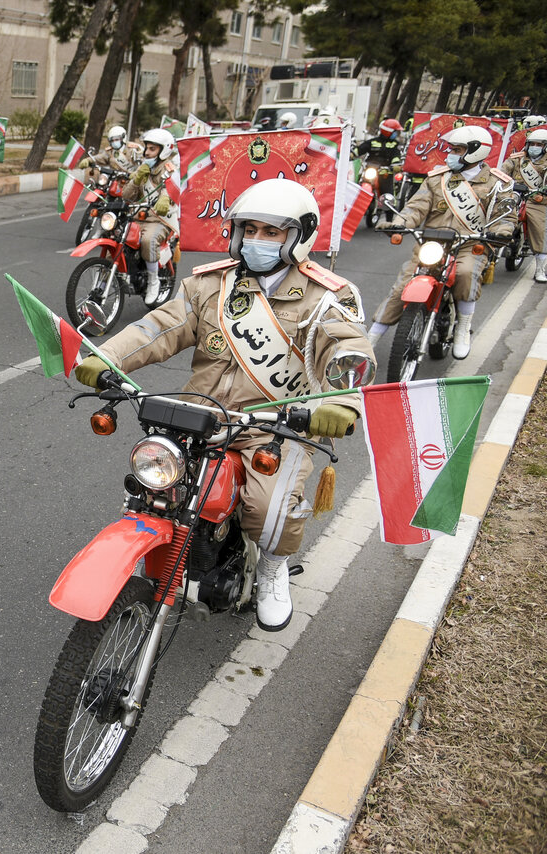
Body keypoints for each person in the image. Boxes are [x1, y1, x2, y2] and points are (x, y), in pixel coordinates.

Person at [74, 178, 375, 632]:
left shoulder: (326, 296)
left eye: (271, 232)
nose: (256, 240)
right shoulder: (210, 285)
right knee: (154, 490)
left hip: (275, 426)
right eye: (249, 229)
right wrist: (105, 357)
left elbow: (346, 348)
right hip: (203, 418)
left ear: (299, 236)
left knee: (268, 509)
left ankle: (273, 568)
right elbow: (160, 327)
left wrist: (343, 400)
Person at [370, 125, 516, 358]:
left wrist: (503, 230)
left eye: (458, 150)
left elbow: (506, 214)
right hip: (432, 243)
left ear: (476, 151)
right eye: (452, 149)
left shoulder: (497, 183)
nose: (451, 154)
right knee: (402, 285)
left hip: (469, 244)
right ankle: (370, 341)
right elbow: (416, 207)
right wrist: (398, 222)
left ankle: (463, 328)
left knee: (466, 273)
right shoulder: (437, 179)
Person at [123, 128, 180, 306]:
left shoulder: (169, 169)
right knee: (117, 236)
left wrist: (164, 199)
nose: (147, 152)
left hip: (161, 220)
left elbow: (169, 189)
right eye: (146, 148)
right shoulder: (144, 168)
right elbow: (126, 196)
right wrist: (136, 180)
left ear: (164, 151)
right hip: (139, 217)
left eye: (152, 149)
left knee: (148, 240)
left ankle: (153, 281)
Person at [500, 127, 547, 283]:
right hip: (513, 194)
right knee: (495, 217)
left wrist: (540, 193)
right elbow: (503, 172)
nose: (534, 147)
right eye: (532, 143)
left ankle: (540, 268)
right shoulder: (516, 158)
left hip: (536, 199)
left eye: (538, 144)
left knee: (540, 230)